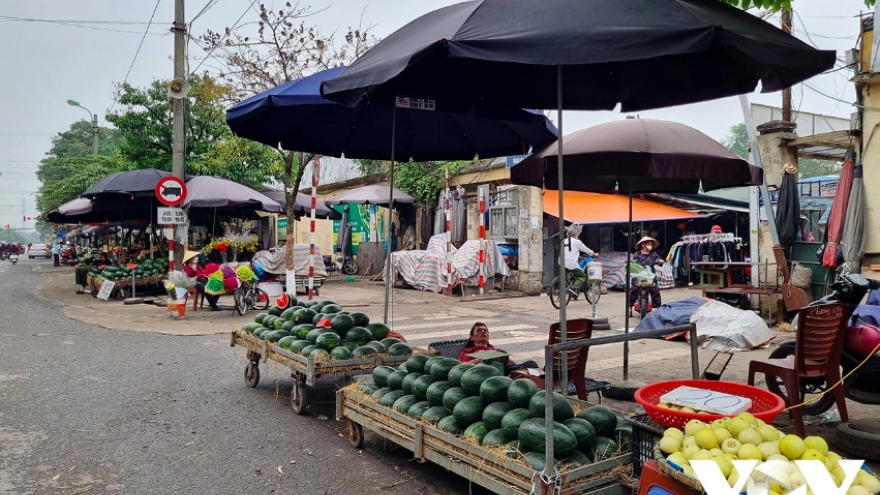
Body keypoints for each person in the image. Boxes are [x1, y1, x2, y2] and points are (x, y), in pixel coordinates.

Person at [458, 322, 537, 373]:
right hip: (482, 372)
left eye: (485, 331)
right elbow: (462, 367)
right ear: (472, 337)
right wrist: (481, 359)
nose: (483, 332)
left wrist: (518, 365)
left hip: (505, 369)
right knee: (499, 356)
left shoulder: (494, 350)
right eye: (479, 330)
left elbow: (510, 361)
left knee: (531, 363)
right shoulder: (467, 351)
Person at [630, 236, 663, 310]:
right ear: (643, 245)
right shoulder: (637, 254)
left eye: (651, 244)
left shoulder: (653, 254)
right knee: (633, 290)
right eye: (648, 244)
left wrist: (660, 261)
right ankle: (629, 306)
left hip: (650, 277)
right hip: (639, 276)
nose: (650, 246)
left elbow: (659, 260)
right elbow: (634, 262)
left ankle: (657, 309)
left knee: (655, 291)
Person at [563, 224, 595, 298]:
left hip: (563, 264)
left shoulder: (563, 241)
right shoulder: (577, 242)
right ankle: (573, 288)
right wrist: (593, 253)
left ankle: (574, 293)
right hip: (572, 264)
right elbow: (586, 250)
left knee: (572, 276)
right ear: (575, 234)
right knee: (582, 276)